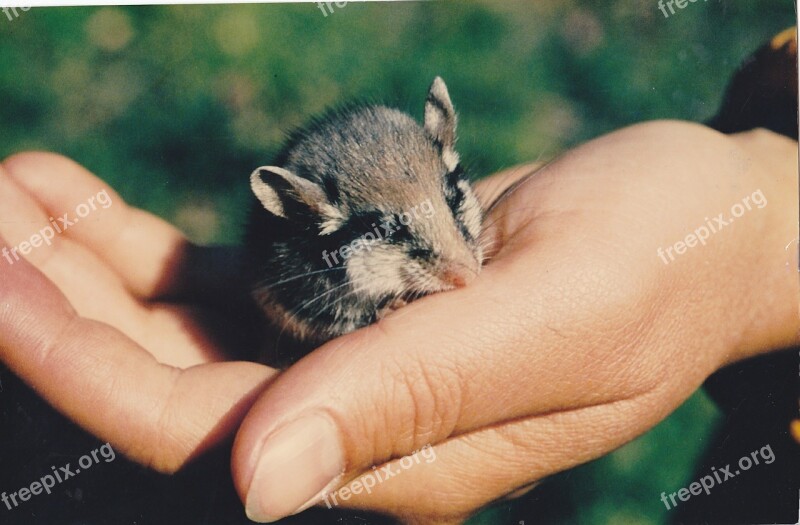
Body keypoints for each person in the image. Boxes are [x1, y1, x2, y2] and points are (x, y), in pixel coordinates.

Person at [0, 116, 796, 523]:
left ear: (445, 143)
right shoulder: (301, 267)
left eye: (459, 206)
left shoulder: (443, 226)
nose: (462, 263)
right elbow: (293, 300)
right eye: (404, 243)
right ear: (310, 216)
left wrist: (755, 222)